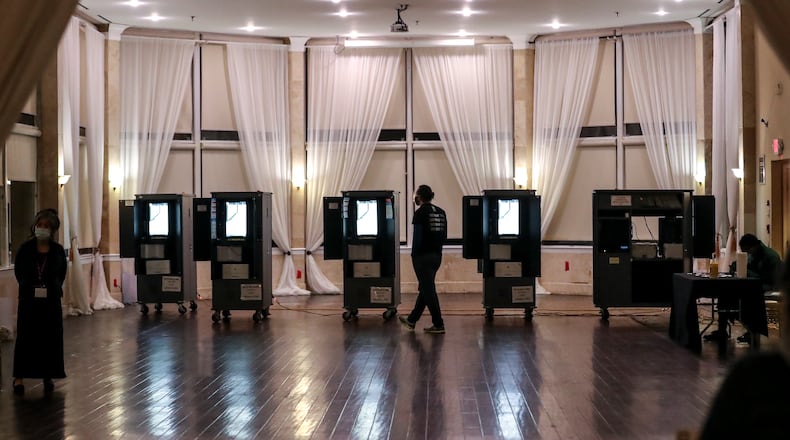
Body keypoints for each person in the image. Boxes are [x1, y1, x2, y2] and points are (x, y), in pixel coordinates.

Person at [698, 249, 790, 439]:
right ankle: (733, 324)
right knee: (734, 295)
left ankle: (742, 324)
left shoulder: (754, 379)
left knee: (743, 297)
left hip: (763, 286)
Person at [12, 209, 68, 395]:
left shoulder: (58, 251)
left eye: (46, 226)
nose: (42, 229)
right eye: (39, 225)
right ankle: (19, 377)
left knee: (49, 338)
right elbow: (19, 272)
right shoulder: (25, 249)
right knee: (26, 338)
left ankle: (48, 374)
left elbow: (62, 274)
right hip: (29, 301)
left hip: (50, 301)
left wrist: (52, 286)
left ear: (52, 230)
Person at [704, 233, 782, 343]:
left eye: (748, 251)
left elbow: (767, 279)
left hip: (769, 286)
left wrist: (745, 270)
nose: (748, 254)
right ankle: (722, 330)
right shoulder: (755, 254)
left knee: (741, 296)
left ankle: (751, 330)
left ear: (753, 246)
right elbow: (748, 268)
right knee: (725, 293)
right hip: (754, 284)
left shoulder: (770, 257)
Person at [400, 185, 447, 334]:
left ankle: (438, 323)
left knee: (428, 289)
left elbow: (417, 237)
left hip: (423, 257)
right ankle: (412, 320)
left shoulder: (420, 213)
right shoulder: (441, 212)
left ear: (419, 197)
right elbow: (444, 236)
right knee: (425, 288)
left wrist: (414, 255)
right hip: (437, 256)